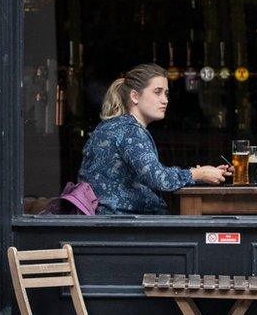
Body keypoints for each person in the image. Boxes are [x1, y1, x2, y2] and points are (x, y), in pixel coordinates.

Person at [78, 64, 229, 215]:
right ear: (135, 96)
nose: (165, 100)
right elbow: (159, 179)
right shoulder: (130, 130)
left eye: (166, 93)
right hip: (123, 227)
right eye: (158, 92)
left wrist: (197, 173)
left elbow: (152, 173)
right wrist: (198, 174)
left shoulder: (114, 126)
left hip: (110, 223)